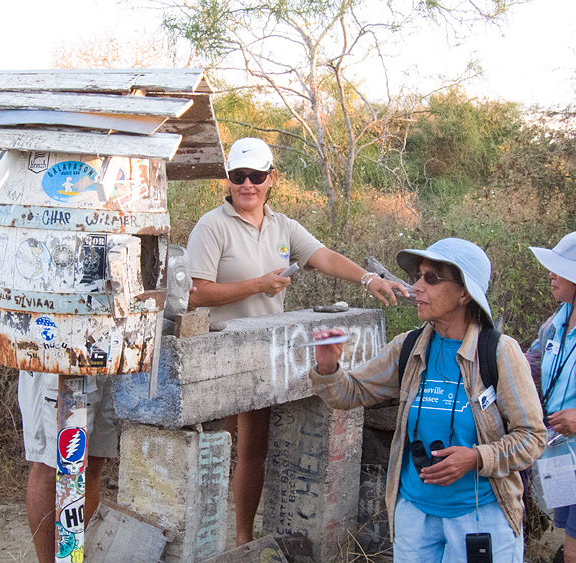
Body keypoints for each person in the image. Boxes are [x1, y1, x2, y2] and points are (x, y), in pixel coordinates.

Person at [186, 137, 409, 546]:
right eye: (239, 177)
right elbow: (196, 293)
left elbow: (322, 256)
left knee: (253, 449)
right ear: (228, 179)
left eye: (256, 176)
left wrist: (368, 279)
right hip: (218, 356)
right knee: (212, 448)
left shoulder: (283, 225)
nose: (247, 185)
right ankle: (206, 540)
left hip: (264, 358)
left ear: (271, 178)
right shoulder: (212, 225)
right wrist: (259, 284)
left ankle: (241, 540)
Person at [308, 238, 546, 562]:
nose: (416, 286)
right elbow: (349, 393)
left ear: (464, 293)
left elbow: (532, 438)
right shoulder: (407, 348)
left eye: (431, 278)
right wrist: (328, 367)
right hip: (414, 518)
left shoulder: (500, 353)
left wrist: (476, 457)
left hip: (479, 518)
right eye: (418, 276)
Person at [19, 370, 118, 562]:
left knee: (92, 462)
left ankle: (75, 557)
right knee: (52, 467)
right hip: (57, 354)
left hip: (107, 354)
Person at [525, 232, 576, 563]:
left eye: (559, 268)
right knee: (568, 530)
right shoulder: (558, 321)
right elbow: (533, 363)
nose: (551, 274)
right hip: (562, 455)